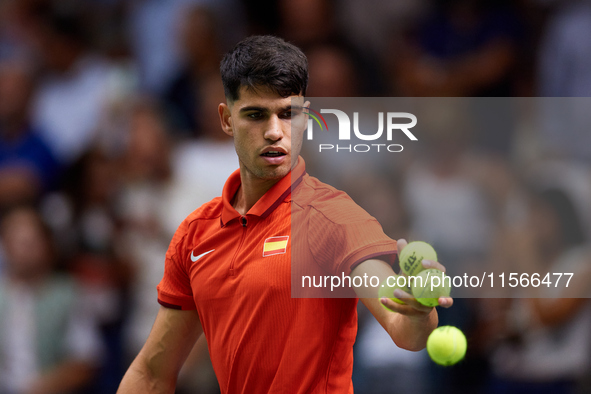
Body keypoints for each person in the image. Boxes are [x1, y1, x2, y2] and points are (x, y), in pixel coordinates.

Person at [118, 35, 453, 393]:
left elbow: (403, 329)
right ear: (226, 119)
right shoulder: (195, 235)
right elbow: (152, 374)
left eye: (287, 114)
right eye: (256, 115)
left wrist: (418, 311)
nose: (275, 132)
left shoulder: (334, 217)